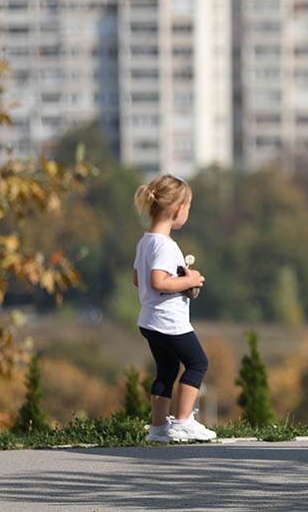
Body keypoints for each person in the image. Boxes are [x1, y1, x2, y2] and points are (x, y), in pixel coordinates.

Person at [132, 174, 216, 443]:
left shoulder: (145, 241)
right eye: (188, 208)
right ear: (178, 209)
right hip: (169, 321)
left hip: (149, 320)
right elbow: (158, 281)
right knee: (197, 362)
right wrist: (189, 280)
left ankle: (158, 428)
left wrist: (179, 280)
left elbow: (139, 279)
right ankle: (183, 421)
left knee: (166, 370)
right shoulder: (166, 245)